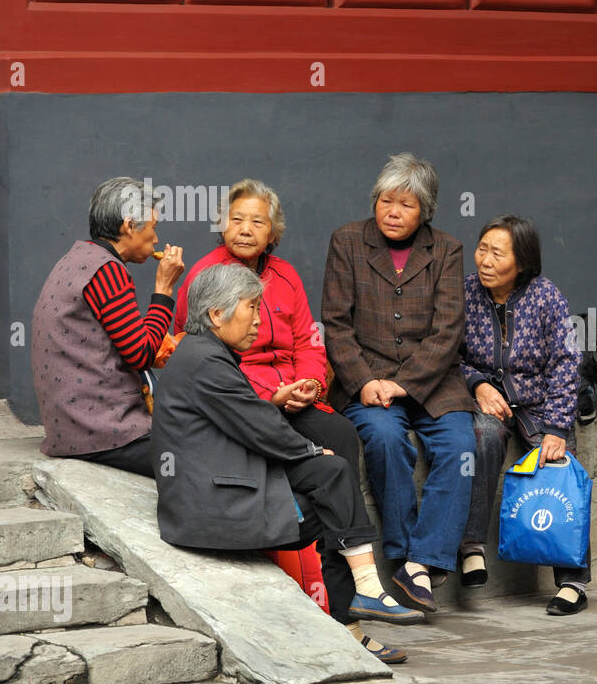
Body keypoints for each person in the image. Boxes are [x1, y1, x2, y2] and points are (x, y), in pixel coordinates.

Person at [174, 179, 421, 647]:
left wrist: (308, 384)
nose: (244, 229)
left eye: (257, 222)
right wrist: (277, 403)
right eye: (236, 219)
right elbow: (206, 364)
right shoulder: (206, 279)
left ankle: (346, 610)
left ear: (274, 233)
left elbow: (309, 340)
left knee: (343, 439)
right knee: (325, 469)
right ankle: (356, 599)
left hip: (291, 397)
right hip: (248, 403)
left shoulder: (285, 276)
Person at [322, 153, 476, 616]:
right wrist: (365, 380)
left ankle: (420, 564)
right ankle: (405, 554)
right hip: (366, 380)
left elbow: (448, 330)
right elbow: (335, 323)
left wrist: (405, 383)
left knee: (460, 445)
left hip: (432, 381)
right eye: (386, 201)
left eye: (406, 205)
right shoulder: (347, 241)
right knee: (386, 439)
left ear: (425, 210)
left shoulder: (445, 249)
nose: (392, 212)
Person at [458, 215, 587, 613]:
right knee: (482, 439)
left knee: (558, 464)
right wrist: (477, 384)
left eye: (498, 253)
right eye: (482, 249)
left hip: (538, 402)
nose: (485, 260)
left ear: (522, 261)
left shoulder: (547, 296)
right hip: (488, 400)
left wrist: (556, 426)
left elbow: (567, 362)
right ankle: (471, 548)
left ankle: (572, 581)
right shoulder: (464, 293)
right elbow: (447, 355)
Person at [32, 177, 186, 476]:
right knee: (207, 451)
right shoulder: (107, 271)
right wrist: (164, 289)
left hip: (72, 428)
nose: (156, 239)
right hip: (105, 433)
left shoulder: (77, 259)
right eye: (152, 228)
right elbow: (140, 353)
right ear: (129, 226)